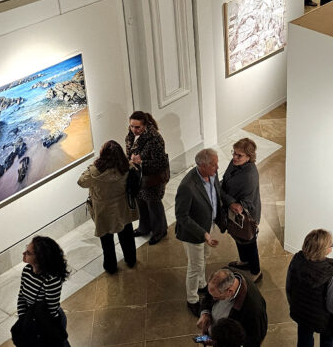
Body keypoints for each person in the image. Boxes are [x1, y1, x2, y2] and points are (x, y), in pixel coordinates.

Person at [287, 228, 333, 347]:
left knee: (304, 342)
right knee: (328, 338)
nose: (332, 247)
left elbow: (289, 286)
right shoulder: (330, 274)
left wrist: (294, 305)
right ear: (323, 250)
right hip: (322, 318)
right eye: (330, 245)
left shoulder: (297, 259)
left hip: (301, 313)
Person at [17, 236, 80, 347]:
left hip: (49, 322)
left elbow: (51, 310)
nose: (24, 254)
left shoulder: (52, 279)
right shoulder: (27, 271)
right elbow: (22, 296)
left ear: (40, 259)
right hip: (32, 320)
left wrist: (34, 327)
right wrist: (23, 319)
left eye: (28, 252)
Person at [175, 148, 225, 315]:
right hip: (193, 234)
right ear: (202, 166)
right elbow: (181, 216)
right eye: (214, 165)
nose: (217, 168)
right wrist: (203, 234)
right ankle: (192, 299)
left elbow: (216, 195)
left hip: (208, 226)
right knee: (195, 266)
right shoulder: (187, 186)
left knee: (204, 257)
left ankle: (202, 284)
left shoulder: (212, 174)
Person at [77, 141, 139, 274]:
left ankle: (110, 266)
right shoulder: (125, 166)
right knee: (127, 236)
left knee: (107, 241)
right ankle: (131, 259)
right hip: (122, 206)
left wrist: (93, 165)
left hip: (103, 210)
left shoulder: (94, 171)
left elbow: (81, 182)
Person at [197, 268, 269, 347]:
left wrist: (221, 345)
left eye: (216, 297)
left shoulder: (253, 310)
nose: (213, 299)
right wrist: (205, 313)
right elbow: (208, 296)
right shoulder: (225, 275)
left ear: (229, 291)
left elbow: (254, 341)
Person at [221, 138, 262, 282]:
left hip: (247, 217)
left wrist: (221, 194)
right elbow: (225, 180)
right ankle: (244, 262)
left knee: (249, 241)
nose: (234, 157)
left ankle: (256, 271)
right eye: (234, 153)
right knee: (239, 238)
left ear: (249, 157)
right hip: (235, 214)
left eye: (239, 155)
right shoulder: (235, 163)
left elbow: (241, 205)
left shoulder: (249, 176)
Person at [127, 111, 170, 245]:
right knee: (141, 204)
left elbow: (161, 163)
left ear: (145, 125)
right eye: (132, 126)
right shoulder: (131, 135)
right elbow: (130, 151)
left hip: (152, 179)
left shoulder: (154, 139)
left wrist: (141, 162)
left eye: (137, 127)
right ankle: (144, 228)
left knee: (154, 206)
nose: (134, 129)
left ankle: (160, 231)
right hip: (139, 177)